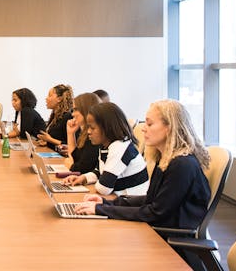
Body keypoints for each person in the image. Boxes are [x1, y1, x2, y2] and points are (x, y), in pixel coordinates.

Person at [75, 99, 211, 231]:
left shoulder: (182, 165)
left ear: (169, 128)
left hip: (168, 241)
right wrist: (105, 203)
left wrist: (101, 210)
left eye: (150, 124)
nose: (144, 129)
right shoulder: (166, 159)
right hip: (157, 229)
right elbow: (151, 201)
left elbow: (155, 212)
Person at [63, 101, 149, 196]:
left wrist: (99, 183)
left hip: (132, 203)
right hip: (119, 199)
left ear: (108, 128)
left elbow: (104, 188)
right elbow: (99, 172)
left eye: (92, 128)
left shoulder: (119, 147)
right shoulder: (106, 146)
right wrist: (84, 178)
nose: (88, 131)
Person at [63, 92, 101, 174]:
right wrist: (70, 133)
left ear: (86, 110)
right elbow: (74, 158)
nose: (73, 114)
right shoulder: (84, 132)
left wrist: (71, 166)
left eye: (76, 109)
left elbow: (82, 169)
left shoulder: (95, 135)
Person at [37, 84, 73, 150]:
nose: (46, 98)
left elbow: (69, 144)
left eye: (49, 95)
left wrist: (49, 140)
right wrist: (46, 142)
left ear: (59, 99)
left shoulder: (67, 116)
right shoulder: (54, 115)